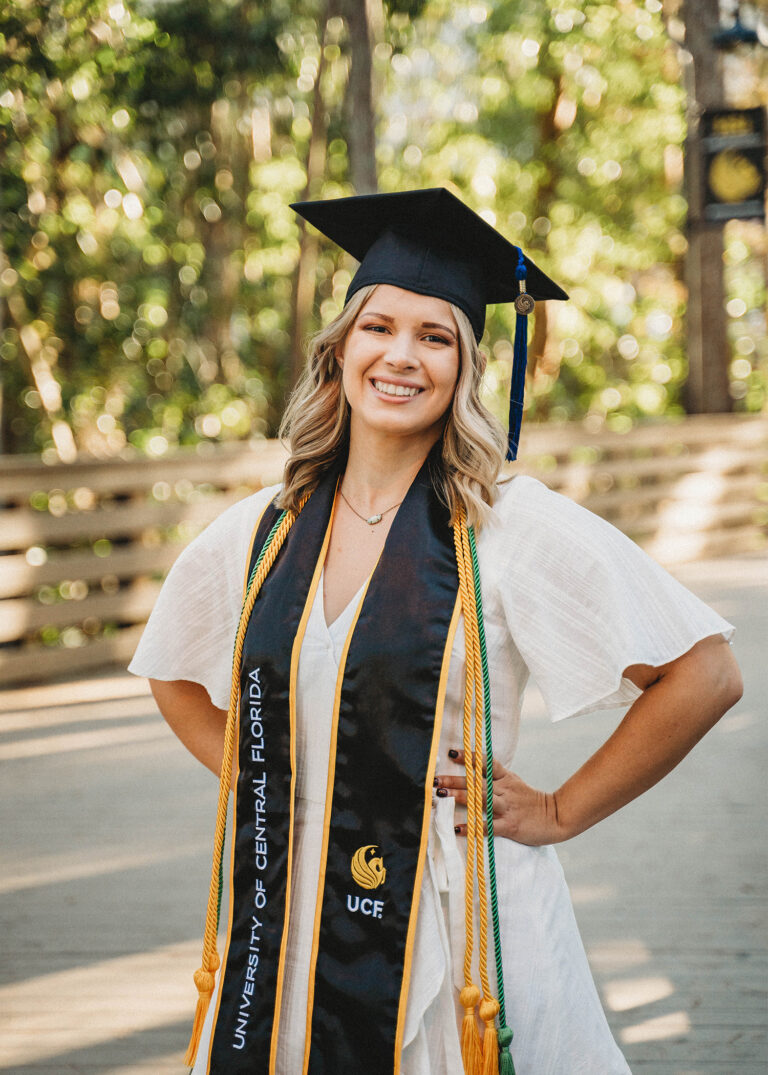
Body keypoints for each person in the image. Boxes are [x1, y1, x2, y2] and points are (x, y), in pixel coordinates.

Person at [129, 188, 742, 1075]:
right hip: (289, 912)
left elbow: (707, 672)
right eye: (379, 327)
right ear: (339, 350)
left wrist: (562, 809)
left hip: (462, 932)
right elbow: (172, 670)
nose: (401, 356)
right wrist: (268, 773)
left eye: (435, 336)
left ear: (464, 368)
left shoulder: (506, 526)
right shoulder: (265, 528)